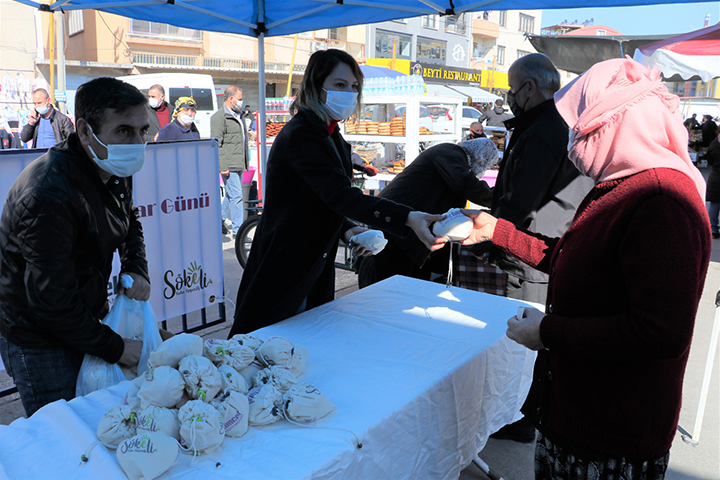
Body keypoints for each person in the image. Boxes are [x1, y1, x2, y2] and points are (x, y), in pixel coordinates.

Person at [461, 57, 710, 480]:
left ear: (614, 123)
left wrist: (546, 332)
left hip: (612, 434)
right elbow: (576, 257)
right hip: (580, 417)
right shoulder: (625, 184)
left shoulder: (661, 200)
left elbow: (660, 331)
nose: (574, 139)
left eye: (582, 126)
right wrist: (497, 231)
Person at [228, 49, 446, 336]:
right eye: (340, 85)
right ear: (316, 86)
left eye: (354, 87)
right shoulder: (304, 134)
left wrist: (349, 231)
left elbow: (319, 199)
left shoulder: (330, 134)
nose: (349, 93)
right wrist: (408, 217)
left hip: (314, 262)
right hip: (287, 261)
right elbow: (341, 196)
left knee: (304, 342)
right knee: (262, 343)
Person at [0, 77, 152, 416]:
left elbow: (130, 222)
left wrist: (135, 266)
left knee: (100, 420)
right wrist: (115, 347)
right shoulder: (47, 194)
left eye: (143, 130)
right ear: (84, 131)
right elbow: (50, 299)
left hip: (81, 317)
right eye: (125, 130)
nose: (138, 142)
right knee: (67, 434)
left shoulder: (112, 164)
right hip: (39, 338)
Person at [483, 53, 594, 443]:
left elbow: (521, 200)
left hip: (534, 251)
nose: (509, 99)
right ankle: (526, 413)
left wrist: (490, 232)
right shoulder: (556, 123)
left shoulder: (545, 129)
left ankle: (522, 417)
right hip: (545, 245)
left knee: (527, 340)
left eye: (511, 91)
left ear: (529, 88)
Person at [359, 138, 497, 288]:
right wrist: (498, 199)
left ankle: (404, 305)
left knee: (413, 279)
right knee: (394, 280)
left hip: (406, 222)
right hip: (394, 221)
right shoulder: (449, 153)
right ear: (481, 156)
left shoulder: (453, 156)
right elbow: (465, 184)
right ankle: (390, 308)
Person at [212, 86, 249, 238]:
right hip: (229, 164)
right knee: (237, 196)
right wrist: (222, 166)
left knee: (230, 195)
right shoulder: (219, 117)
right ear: (231, 99)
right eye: (239, 99)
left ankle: (218, 220)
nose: (241, 102)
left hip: (238, 162)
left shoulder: (238, 115)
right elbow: (217, 144)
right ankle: (239, 231)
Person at [705, 133, 720, 239]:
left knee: (715, 203)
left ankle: (713, 229)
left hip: (716, 176)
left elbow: (709, 159)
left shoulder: (714, 143)